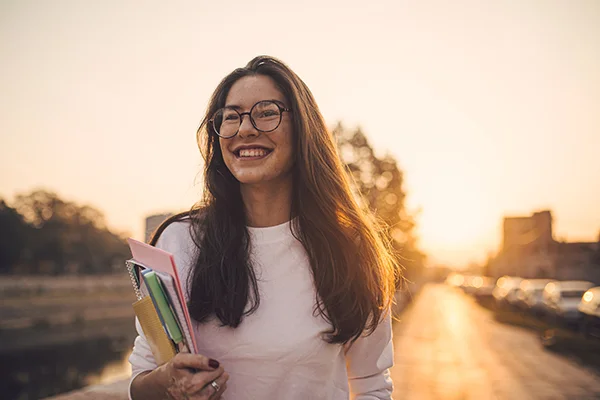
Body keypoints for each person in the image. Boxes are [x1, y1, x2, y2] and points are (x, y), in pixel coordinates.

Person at [129, 55, 399, 400]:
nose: (245, 128)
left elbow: (371, 384)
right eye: (230, 117)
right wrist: (169, 382)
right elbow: (140, 381)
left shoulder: (351, 249)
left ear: (303, 128)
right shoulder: (177, 240)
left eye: (267, 112)